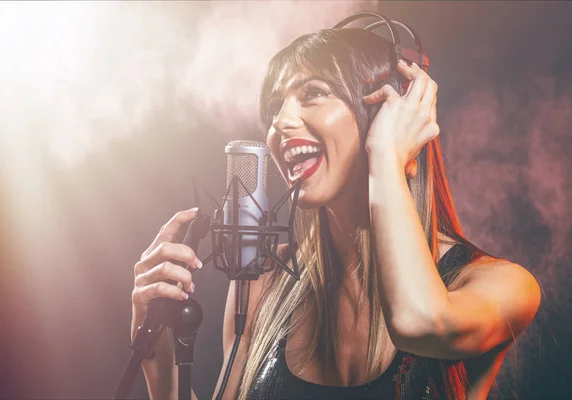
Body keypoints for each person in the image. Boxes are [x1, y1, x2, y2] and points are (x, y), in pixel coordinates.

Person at [131, 27, 541, 400]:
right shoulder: (262, 287)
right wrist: (157, 357)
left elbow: (420, 322)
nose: (279, 122)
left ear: (385, 111)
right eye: (275, 106)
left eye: (313, 93)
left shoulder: (503, 285)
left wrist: (385, 157)